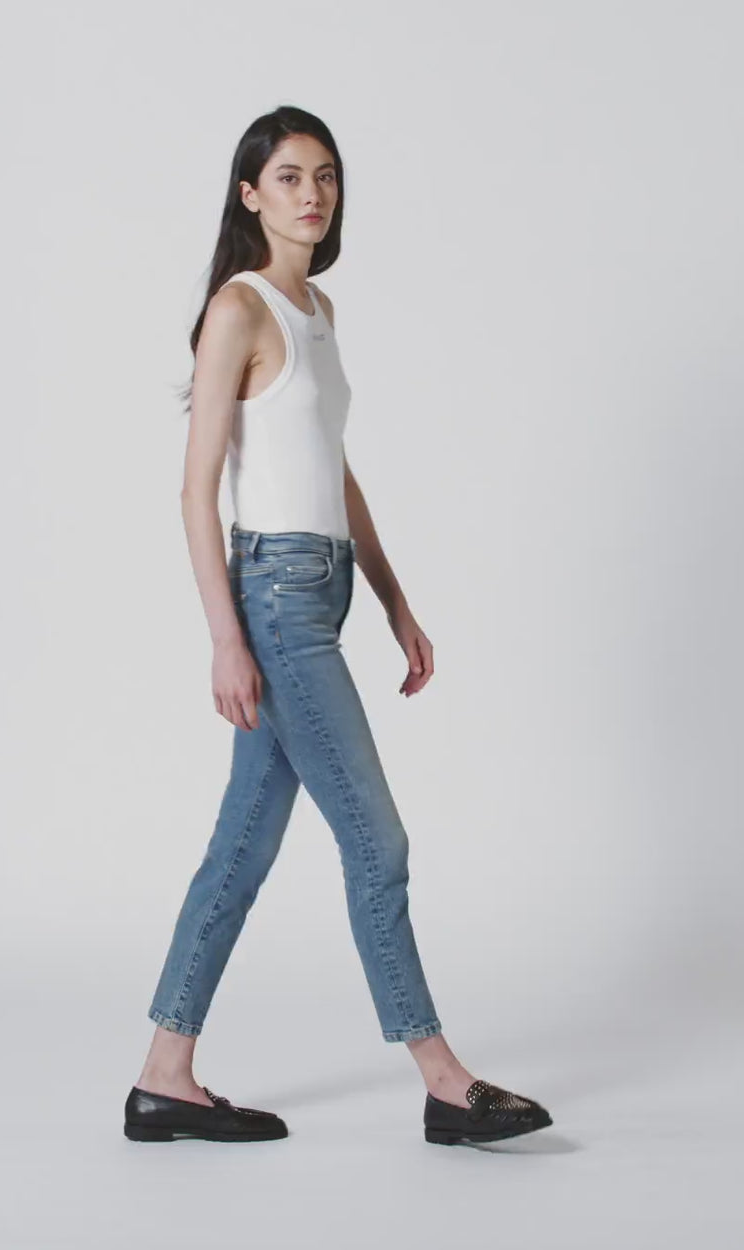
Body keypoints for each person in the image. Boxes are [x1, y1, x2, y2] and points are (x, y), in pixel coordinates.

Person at [124, 106, 552, 1147]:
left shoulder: (316, 305)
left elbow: (334, 466)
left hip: (323, 589)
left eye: (324, 175)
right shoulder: (238, 307)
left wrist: (394, 596)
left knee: (240, 847)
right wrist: (225, 637)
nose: (311, 193)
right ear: (249, 194)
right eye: (288, 176)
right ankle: (442, 1080)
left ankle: (163, 1077)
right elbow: (193, 490)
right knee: (377, 840)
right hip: (273, 598)